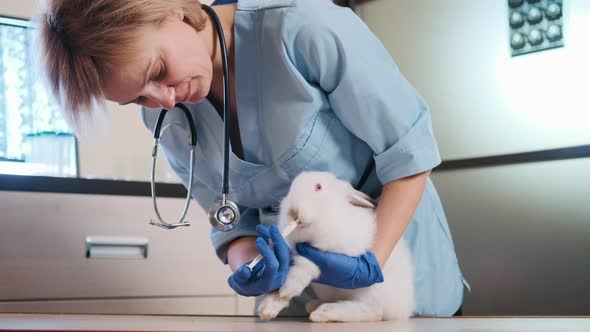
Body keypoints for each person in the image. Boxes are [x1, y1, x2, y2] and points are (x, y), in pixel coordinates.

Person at [37, 0, 469, 317]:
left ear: (168, 12)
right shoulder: (164, 117)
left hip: (401, 275)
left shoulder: (302, 27)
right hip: (303, 306)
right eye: (137, 99)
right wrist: (251, 267)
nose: (163, 101)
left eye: (156, 72)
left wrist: (369, 261)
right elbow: (232, 222)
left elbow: (409, 152)